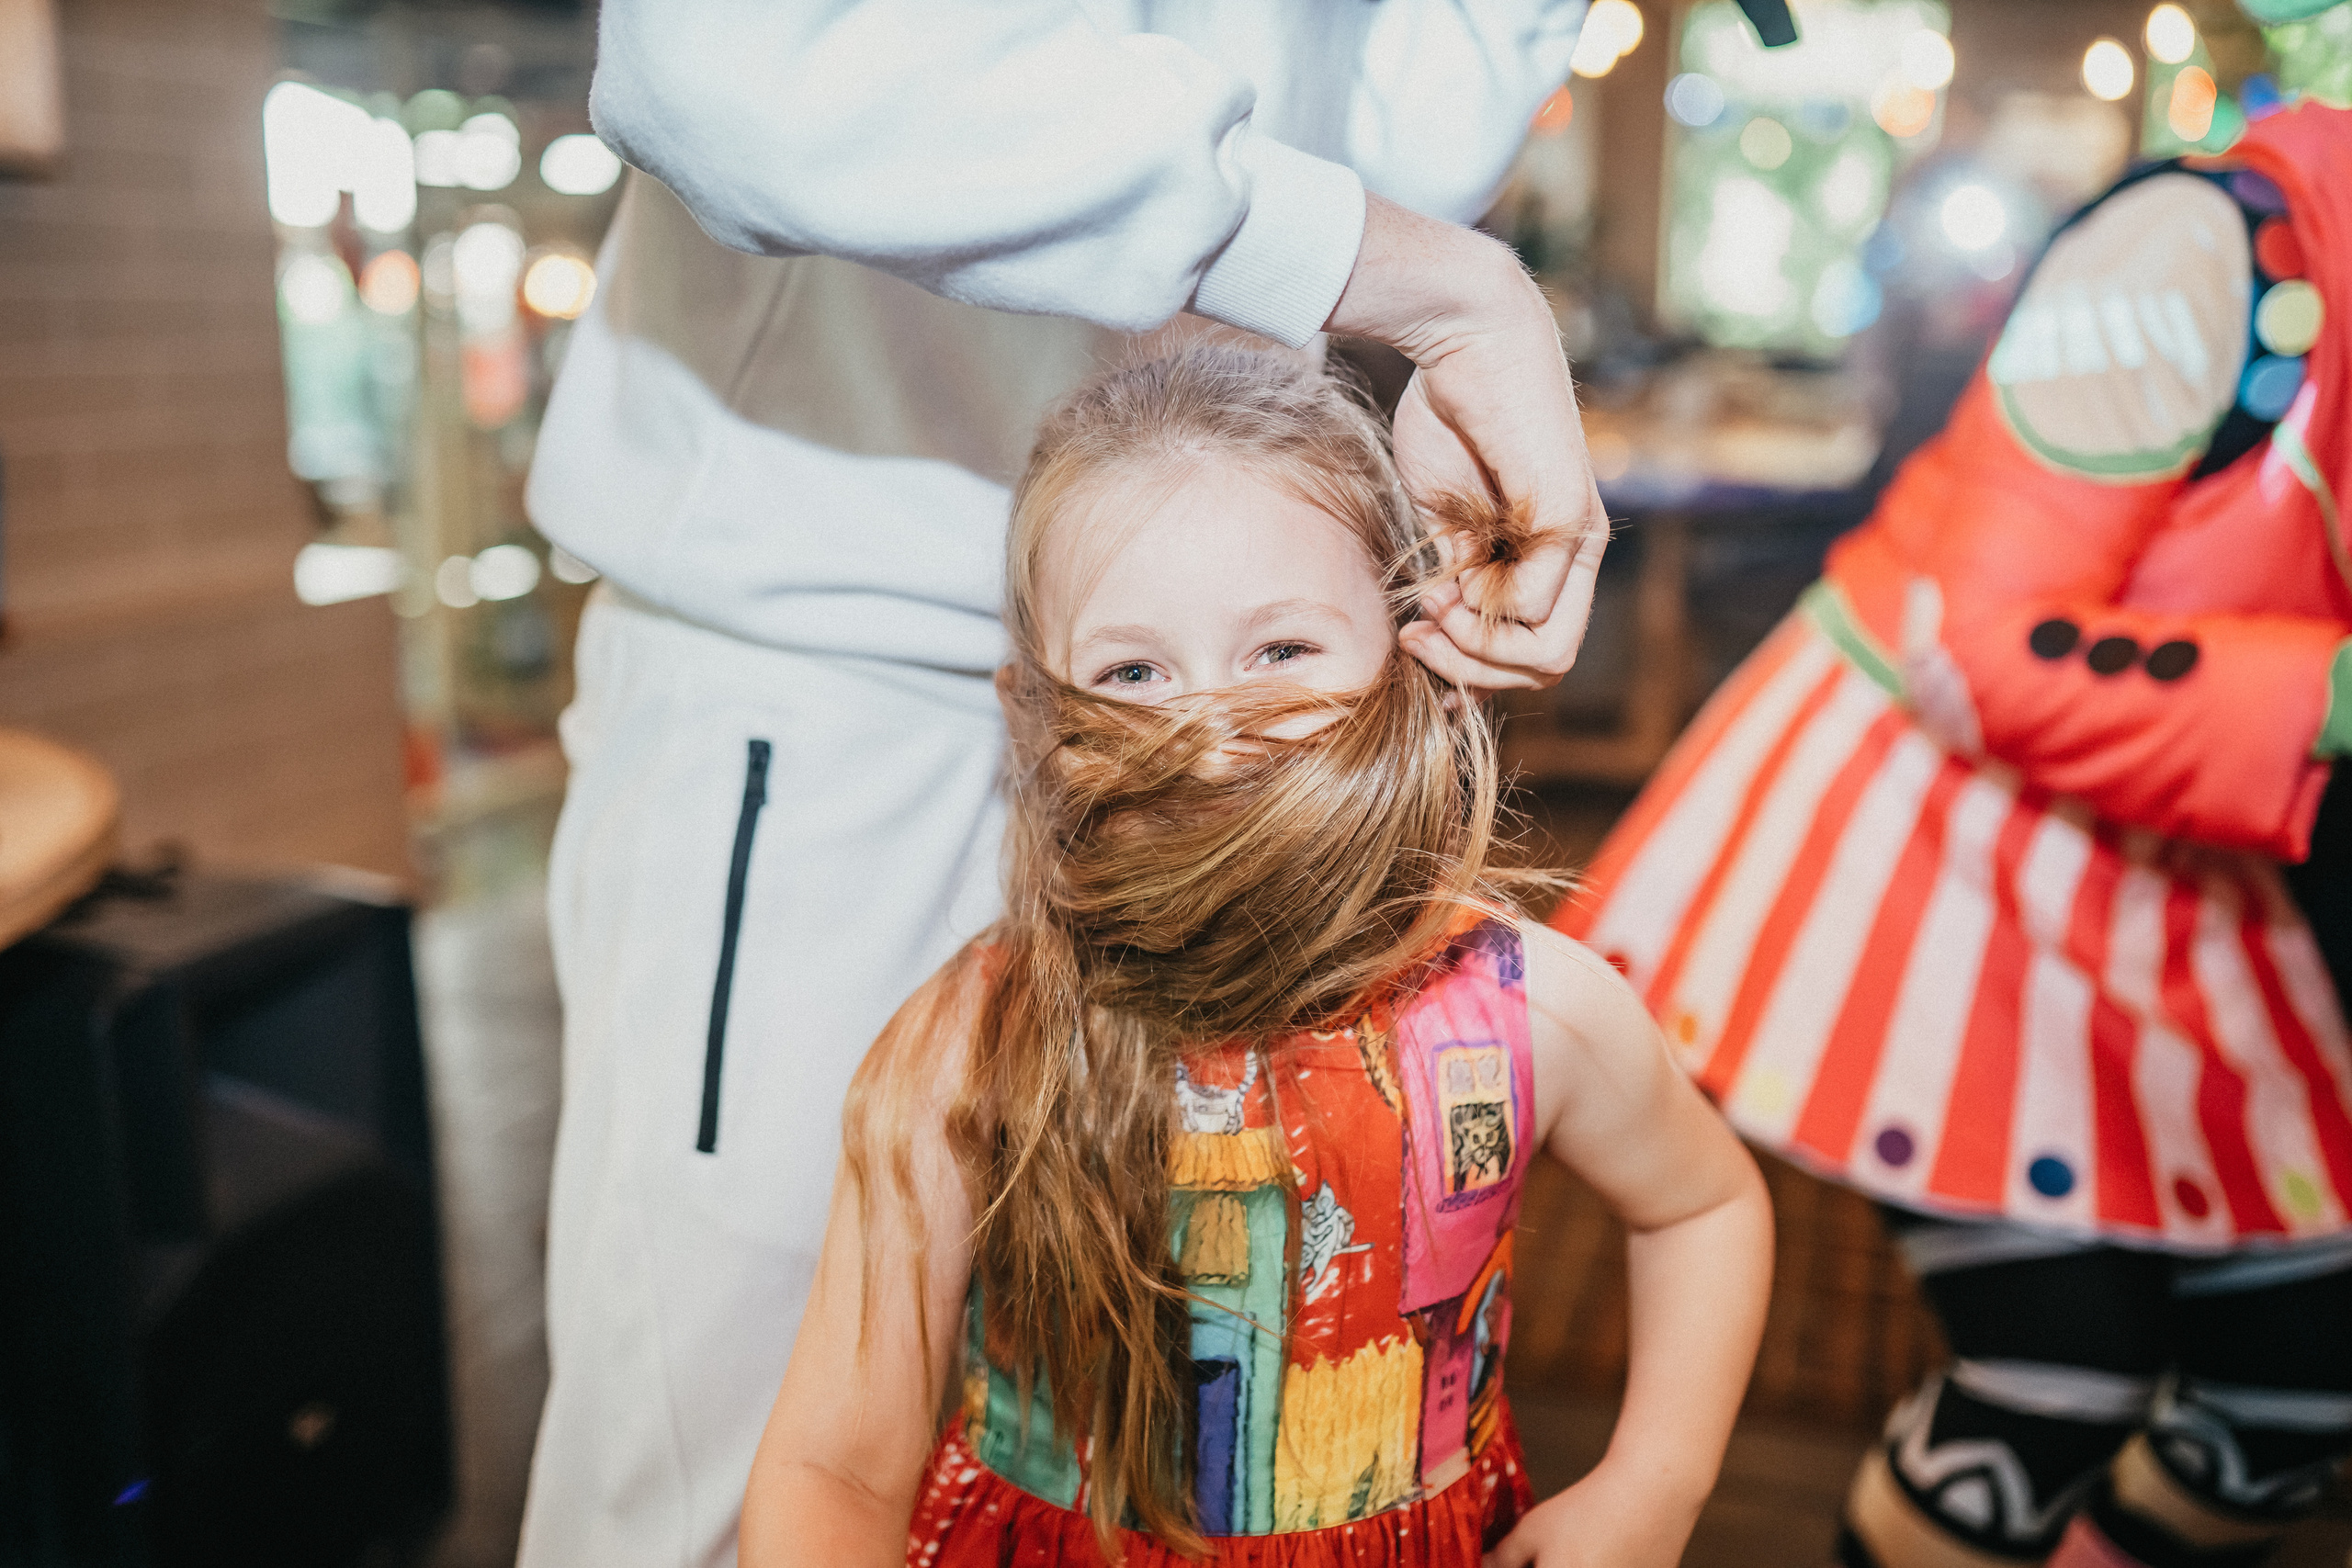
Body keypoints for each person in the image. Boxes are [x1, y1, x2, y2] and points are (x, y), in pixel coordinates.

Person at [518, 6, 1611, 1564]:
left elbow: (1352, 135)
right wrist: (1443, 287)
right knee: (727, 1456)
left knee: (1105, 1416)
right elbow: (738, 63)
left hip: (1184, 741)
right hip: (843, 666)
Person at [739, 346, 1772, 1567]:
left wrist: (1654, 1486)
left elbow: (1703, 1205)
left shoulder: (1528, 1012)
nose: (1215, 730)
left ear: (1417, 653)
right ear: (1036, 716)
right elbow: (832, 1466)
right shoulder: (972, 1047)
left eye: (1280, 651)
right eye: (1135, 671)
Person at [1553, 52, 2352, 1568]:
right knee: (2055, 1377)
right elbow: (1983, 655)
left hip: (2174, 839)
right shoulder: (2200, 253)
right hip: (1939, 830)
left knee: (2300, 1379)